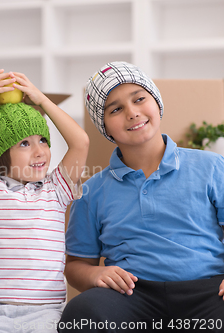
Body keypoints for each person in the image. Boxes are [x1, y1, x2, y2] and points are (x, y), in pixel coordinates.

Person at [60, 61, 224, 332]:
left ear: (156, 103)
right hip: (132, 298)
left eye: (139, 99)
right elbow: (76, 264)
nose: (132, 113)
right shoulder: (91, 191)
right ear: (105, 127)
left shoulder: (212, 167)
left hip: (207, 292)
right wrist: (95, 273)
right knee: (80, 314)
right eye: (116, 109)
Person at [0, 69, 89, 332]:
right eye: (24, 144)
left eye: (43, 140)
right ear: (2, 155)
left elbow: (80, 142)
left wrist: (42, 100)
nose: (39, 151)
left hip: (46, 312)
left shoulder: (56, 188)